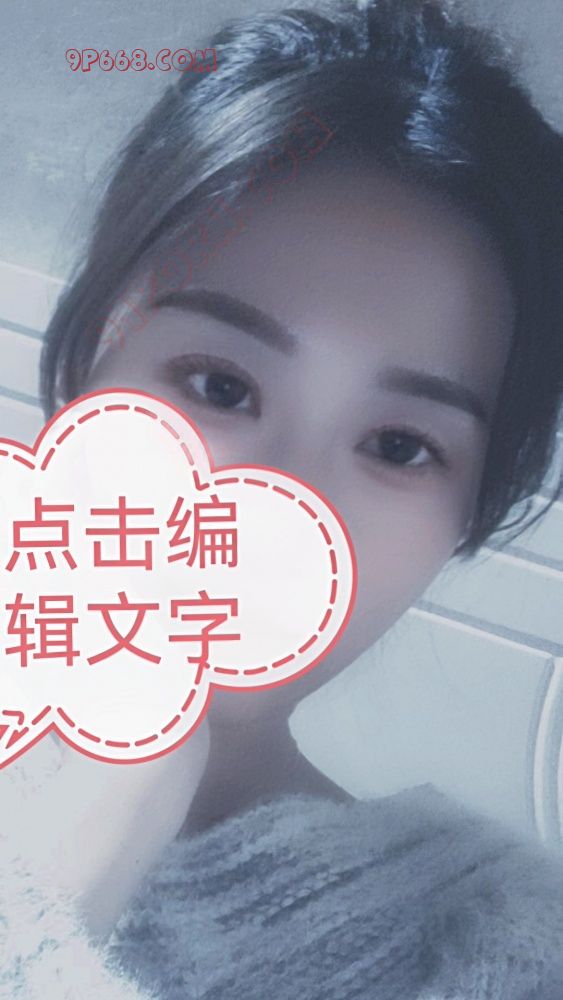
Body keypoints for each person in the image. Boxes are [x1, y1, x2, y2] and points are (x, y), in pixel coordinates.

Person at [2, 0, 563, 996]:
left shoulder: (492, 943)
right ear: (90, 364)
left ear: (470, 516)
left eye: (399, 446)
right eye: (219, 386)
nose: (277, 507)